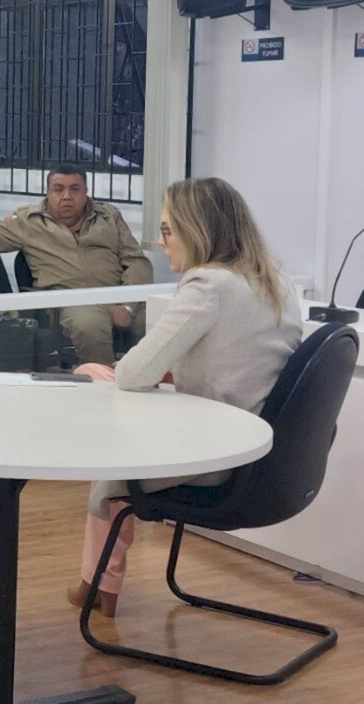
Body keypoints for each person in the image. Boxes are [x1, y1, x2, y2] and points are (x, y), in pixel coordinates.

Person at [67, 177, 302, 617]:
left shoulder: (207, 284)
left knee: (91, 385)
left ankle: (98, 584)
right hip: (261, 455)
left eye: (168, 230)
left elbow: (135, 372)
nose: (160, 241)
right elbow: (240, 361)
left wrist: (140, 373)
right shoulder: (278, 284)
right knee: (111, 395)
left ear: (199, 231)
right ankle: (97, 583)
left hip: (210, 459)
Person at [0, 164, 153, 365]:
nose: (66, 196)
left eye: (75, 189)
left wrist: (127, 305)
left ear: (86, 193)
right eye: (58, 189)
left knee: (161, 319)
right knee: (90, 326)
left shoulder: (109, 217)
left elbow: (136, 261)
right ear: (47, 193)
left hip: (120, 296)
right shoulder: (29, 221)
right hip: (72, 302)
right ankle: (106, 387)